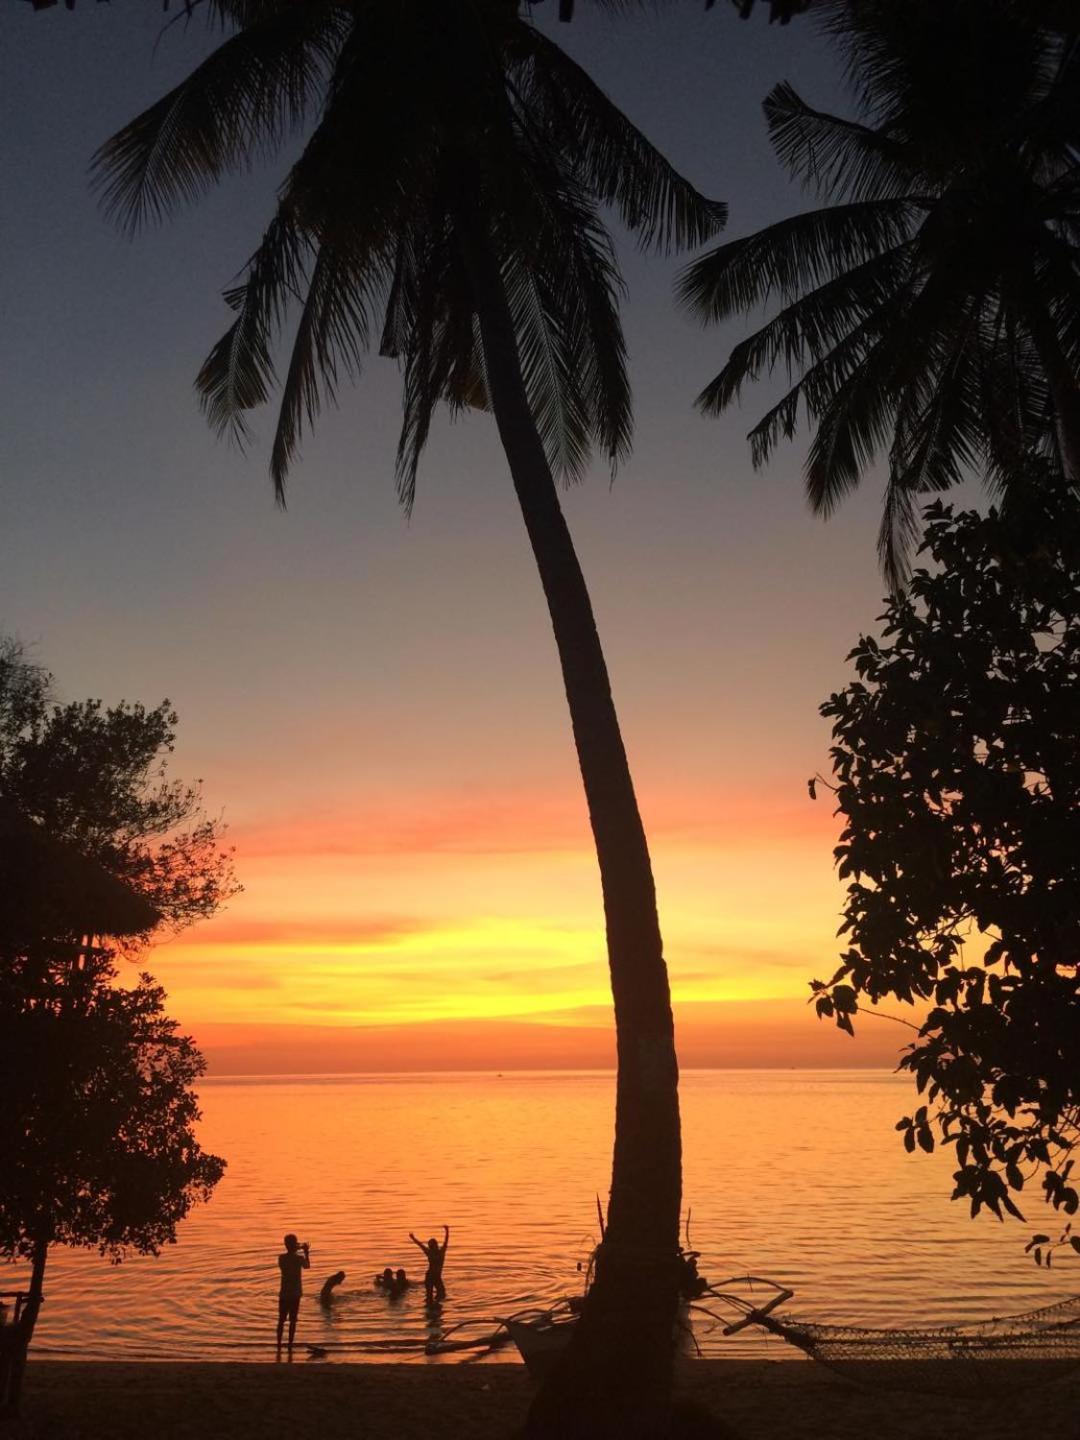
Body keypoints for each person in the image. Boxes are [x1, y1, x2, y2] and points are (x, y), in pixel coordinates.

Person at [276, 1234, 310, 1353]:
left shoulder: (281, 1258)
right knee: (293, 1321)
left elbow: (289, 1259)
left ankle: (279, 1345)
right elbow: (307, 1266)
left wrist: (297, 1249)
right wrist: (306, 1252)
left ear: (285, 1244)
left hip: (284, 1293)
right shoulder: (298, 1258)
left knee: (281, 1320)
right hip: (295, 1293)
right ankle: (290, 1345)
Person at [409, 1225, 449, 1304]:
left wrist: (447, 1231)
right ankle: (431, 1308)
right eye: (430, 1245)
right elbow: (420, 1245)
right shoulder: (434, 1252)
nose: (430, 1247)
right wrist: (413, 1238)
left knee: (441, 1294)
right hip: (431, 1276)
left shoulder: (438, 1252)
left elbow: (446, 1241)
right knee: (430, 1296)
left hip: (435, 1277)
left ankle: (432, 1308)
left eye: (431, 1245)